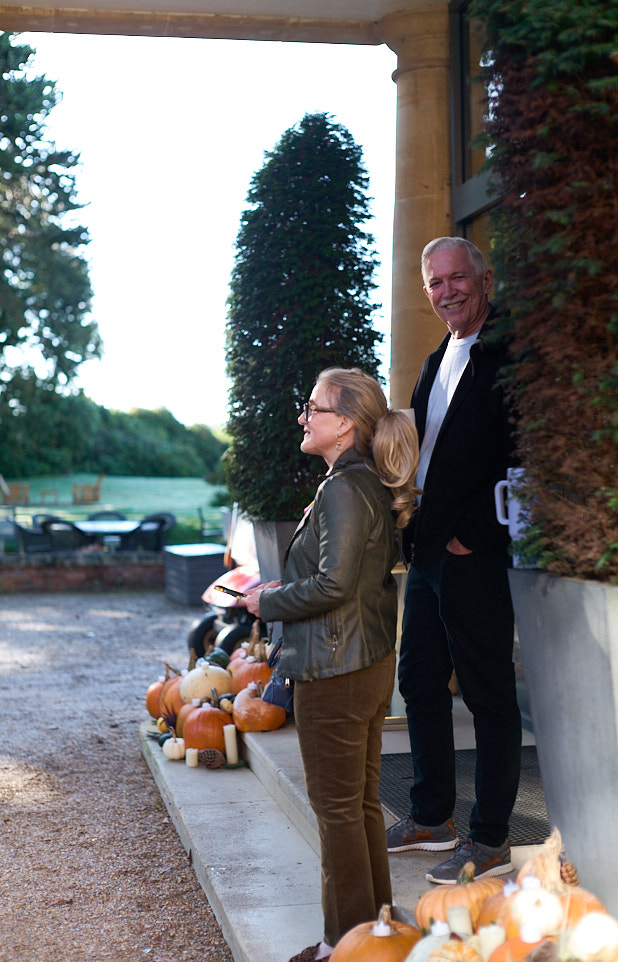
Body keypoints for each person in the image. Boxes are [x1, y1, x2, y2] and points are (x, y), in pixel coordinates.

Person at [244, 367, 419, 962]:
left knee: (340, 811)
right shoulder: (362, 480)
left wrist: (266, 601)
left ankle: (342, 947)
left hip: (335, 669)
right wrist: (279, 587)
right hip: (361, 663)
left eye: (313, 407)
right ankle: (375, 934)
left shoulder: (344, 487)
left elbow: (334, 583)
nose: (303, 416)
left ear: (344, 424)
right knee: (361, 805)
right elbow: (335, 577)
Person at [385, 237, 522, 884]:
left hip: (473, 551)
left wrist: (479, 534)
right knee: (418, 682)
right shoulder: (435, 359)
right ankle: (430, 815)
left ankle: (490, 836)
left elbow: (522, 453)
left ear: (484, 278)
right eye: (435, 282)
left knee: (489, 693)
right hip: (429, 547)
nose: (448, 291)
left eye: (458, 278)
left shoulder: (509, 353)